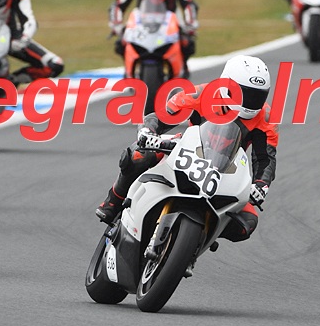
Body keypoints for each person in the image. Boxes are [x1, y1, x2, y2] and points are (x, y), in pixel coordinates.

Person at [94, 55, 278, 243]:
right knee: (139, 155)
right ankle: (114, 201)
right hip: (188, 150)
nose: (250, 101)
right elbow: (161, 116)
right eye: (244, 93)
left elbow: (266, 159)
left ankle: (201, 233)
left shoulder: (265, 116)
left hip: (225, 170)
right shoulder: (202, 93)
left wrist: (261, 185)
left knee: (247, 222)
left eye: (257, 96)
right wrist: (148, 131)